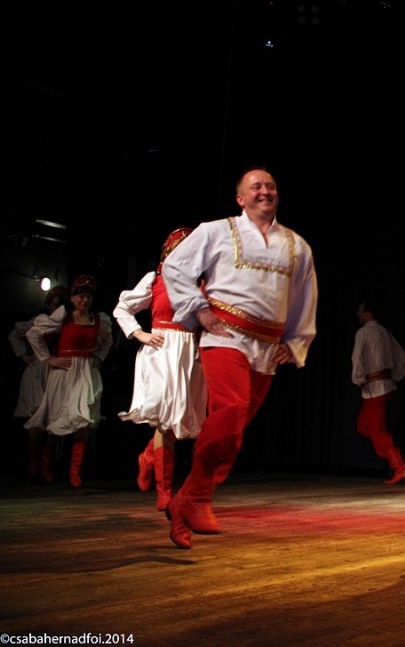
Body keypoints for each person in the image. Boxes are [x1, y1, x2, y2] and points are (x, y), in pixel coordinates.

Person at [161, 167, 318, 549]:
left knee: (232, 433)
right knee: (230, 412)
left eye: (270, 186)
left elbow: (304, 296)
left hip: (266, 347)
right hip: (225, 336)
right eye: (256, 186)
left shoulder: (296, 245)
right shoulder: (217, 231)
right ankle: (197, 497)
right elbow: (174, 266)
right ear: (240, 198)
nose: (265, 191)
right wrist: (199, 311)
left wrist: (295, 342)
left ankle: (187, 499)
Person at [113, 228, 207, 511]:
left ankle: (148, 457)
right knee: (165, 423)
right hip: (162, 350)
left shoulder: (201, 285)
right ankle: (164, 492)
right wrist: (139, 334)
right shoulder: (155, 280)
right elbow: (122, 308)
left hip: (189, 354)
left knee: (178, 423)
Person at [23, 276, 113, 487]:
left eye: (88, 296)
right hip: (64, 373)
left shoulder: (98, 320)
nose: (85, 300)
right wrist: (48, 358)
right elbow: (33, 334)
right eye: (80, 296)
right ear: (72, 298)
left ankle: (75, 472)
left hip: (86, 373)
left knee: (83, 421)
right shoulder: (63, 316)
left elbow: (107, 340)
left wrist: (99, 357)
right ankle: (46, 465)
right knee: (57, 419)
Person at [9, 284, 68, 478]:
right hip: (37, 370)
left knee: (54, 417)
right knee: (34, 416)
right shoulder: (39, 321)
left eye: (61, 305)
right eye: (55, 304)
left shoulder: (68, 323)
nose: (57, 309)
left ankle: (46, 464)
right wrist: (24, 356)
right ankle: (33, 463)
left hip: (58, 370)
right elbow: (14, 334)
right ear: (49, 305)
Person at [352, 299, 405, 485]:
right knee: (363, 426)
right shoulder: (385, 332)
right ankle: (388, 453)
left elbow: (357, 357)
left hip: (375, 389)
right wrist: (395, 375)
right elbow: (400, 355)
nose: (358, 315)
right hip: (384, 386)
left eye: (360, 312)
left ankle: (399, 466)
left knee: (378, 431)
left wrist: (358, 378)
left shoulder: (363, 333)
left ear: (368, 314)